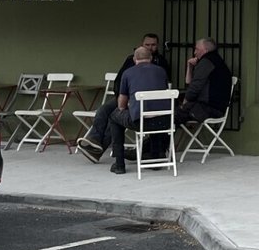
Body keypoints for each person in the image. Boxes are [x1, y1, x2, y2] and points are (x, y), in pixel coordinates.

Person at [79, 33, 167, 164]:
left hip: (142, 105)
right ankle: (95, 140)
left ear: (157, 46)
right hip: (126, 96)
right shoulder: (130, 60)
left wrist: (124, 104)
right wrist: (122, 97)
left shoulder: (161, 63)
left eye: (153, 45)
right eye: (147, 45)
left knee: (116, 116)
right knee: (104, 109)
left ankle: (116, 160)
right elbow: (119, 81)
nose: (150, 47)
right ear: (141, 45)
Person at [104, 46, 170, 174]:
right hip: (164, 121)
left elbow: (122, 104)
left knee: (114, 117)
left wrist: (125, 109)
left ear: (134, 59)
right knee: (154, 115)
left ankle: (119, 164)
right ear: (151, 58)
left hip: (139, 122)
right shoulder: (161, 71)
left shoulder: (128, 73)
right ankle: (155, 160)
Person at [180, 37, 232, 124]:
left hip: (207, 109)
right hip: (217, 108)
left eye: (196, 49)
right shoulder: (217, 61)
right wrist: (190, 66)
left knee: (171, 115)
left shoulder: (206, 62)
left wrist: (184, 104)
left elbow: (194, 87)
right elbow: (190, 83)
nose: (194, 52)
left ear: (205, 50)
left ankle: (160, 137)